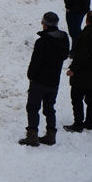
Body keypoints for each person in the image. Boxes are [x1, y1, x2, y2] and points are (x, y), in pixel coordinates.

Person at [18, 12, 69, 147]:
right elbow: (64, 56)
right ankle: (51, 135)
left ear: (44, 24)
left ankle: (32, 136)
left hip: (39, 81)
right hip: (54, 81)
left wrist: (31, 76)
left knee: (33, 107)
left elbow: (35, 62)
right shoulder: (64, 38)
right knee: (49, 108)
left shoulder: (42, 42)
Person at [64, 10, 92, 133]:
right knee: (91, 99)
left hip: (82, 74)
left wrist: (73, 69)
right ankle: (89, 122)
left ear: (87, 20)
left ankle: (78, 123)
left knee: (77, 98)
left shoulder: (86, 34)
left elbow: (81, 55)